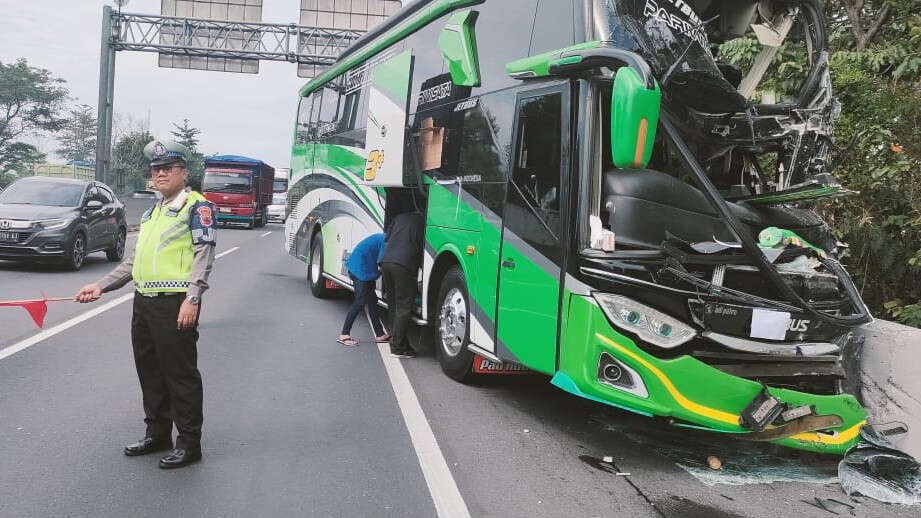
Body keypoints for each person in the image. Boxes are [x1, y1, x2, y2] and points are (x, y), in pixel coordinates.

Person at [75, 139, 216, 469]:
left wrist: (192, 298)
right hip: (144, 303)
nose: (160, 174)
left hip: (176, 302)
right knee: (150, 371)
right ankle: (157, 434)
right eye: (156, 170)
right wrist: (99, 286)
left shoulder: (198, 207)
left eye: (167, 169)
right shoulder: (154, 211)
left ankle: (189, 443)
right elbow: (132, 263)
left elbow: (204, 255)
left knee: (179, 375)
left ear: (183, 172)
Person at [380, 210, 425, 358]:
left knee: (393, 305)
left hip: (386, 262)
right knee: (404, 306)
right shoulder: (424, 223)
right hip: (404, 265)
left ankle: (400, 342)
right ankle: (397, 347)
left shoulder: (399, 216)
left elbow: (387, 240)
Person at [337, 233, 389, 346]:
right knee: (360, 301)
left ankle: (380, 334)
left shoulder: (386, 237)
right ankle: (344, 334)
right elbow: (381, 266)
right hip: (360, 269)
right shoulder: (387, 241)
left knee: (372, 302)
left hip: (364, 268)